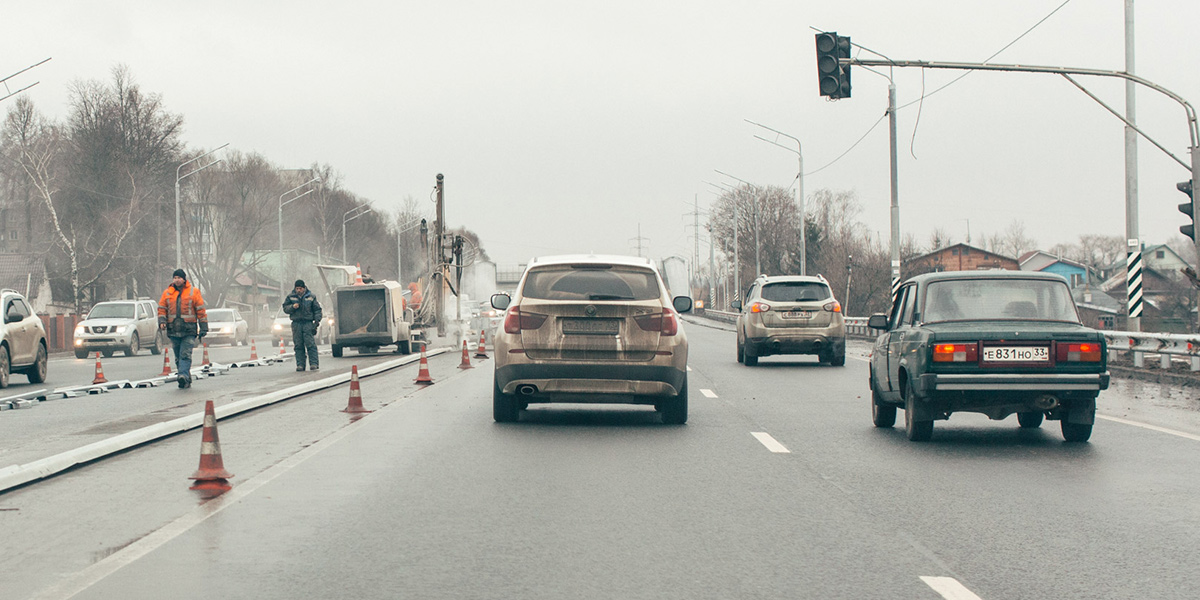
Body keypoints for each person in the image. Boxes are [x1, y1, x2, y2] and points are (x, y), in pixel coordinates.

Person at [157, 268, 208, 388]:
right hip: (173, 330)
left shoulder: (193, 292)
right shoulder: (167, 293)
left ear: (184, 279)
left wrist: (203, 327)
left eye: (179, 278)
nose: (177, 280)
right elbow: (162, 309)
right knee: (178, 356)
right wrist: (162, 321)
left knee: (185, 354)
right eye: (175, 278)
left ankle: (182, 375)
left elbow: (200, 310)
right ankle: (185, 377)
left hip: (189, 330)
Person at [283, 279, 322, 372]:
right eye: (297, 288)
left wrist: (316, 322)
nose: (298, 290)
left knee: (310, 344)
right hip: (296, 323)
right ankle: (300, 364)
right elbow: (285, 308)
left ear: (304, 288)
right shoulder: (291, 297)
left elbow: (317, 310)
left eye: (300, 288)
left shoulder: (311, 297)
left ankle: (314, 363)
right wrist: (292, 307)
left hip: (307, 323)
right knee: (298, 345)